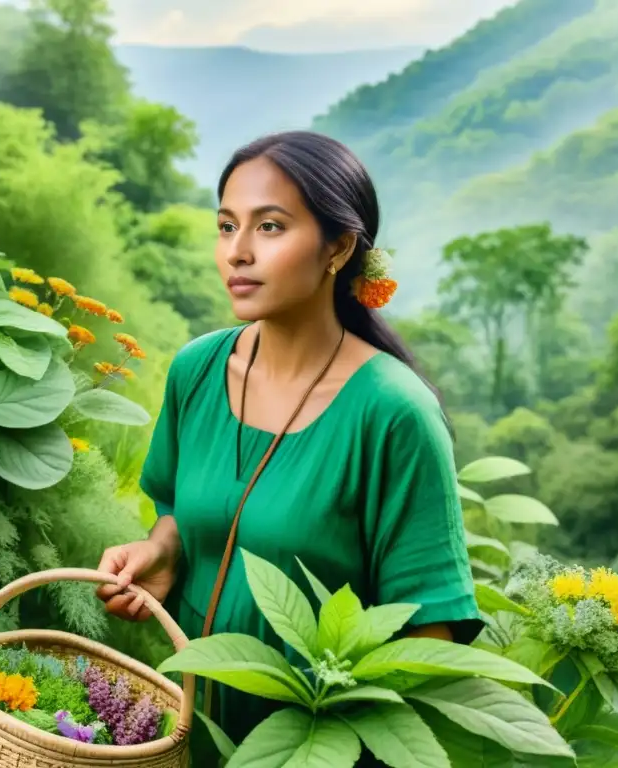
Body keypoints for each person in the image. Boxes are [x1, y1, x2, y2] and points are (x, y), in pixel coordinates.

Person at [96, 130, 482, 756]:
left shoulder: (392, 413)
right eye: (226, 226)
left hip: (315, 744)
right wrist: (163, 548)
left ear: (339, 248)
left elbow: (429, 634)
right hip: (179, 732)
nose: (237, 253)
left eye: (269, 228)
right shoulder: (197, 371)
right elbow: (180, 510)